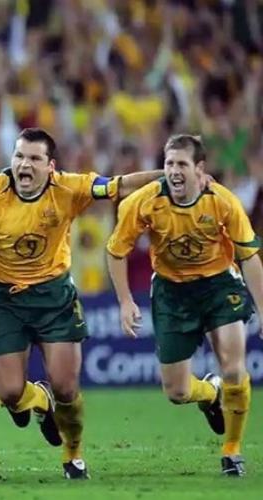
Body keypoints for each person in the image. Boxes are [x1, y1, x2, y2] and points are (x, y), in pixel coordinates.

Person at [0, 128, 164, 479]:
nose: (24, 165)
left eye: (33, 159)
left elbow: (119, 185)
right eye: (19, 156)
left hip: (53, 297)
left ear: (50, 166)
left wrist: (168, 176)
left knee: (67, 389)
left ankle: (73, 455)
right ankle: (40, 400)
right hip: (4, 301)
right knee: (9, 392)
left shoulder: (69, 188)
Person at [106, 134, 262, 476]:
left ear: (199, 169)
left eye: (181, 164)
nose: (174, 171)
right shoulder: (144, 202)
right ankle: (209, 394)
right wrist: (125, 301)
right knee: (177, 392)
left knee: (234, 368)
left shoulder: (222, 201)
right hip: (171, 291)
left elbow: (249, 256)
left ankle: (232, 450)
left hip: (219, 284)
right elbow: (116, 251)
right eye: (169, 163)